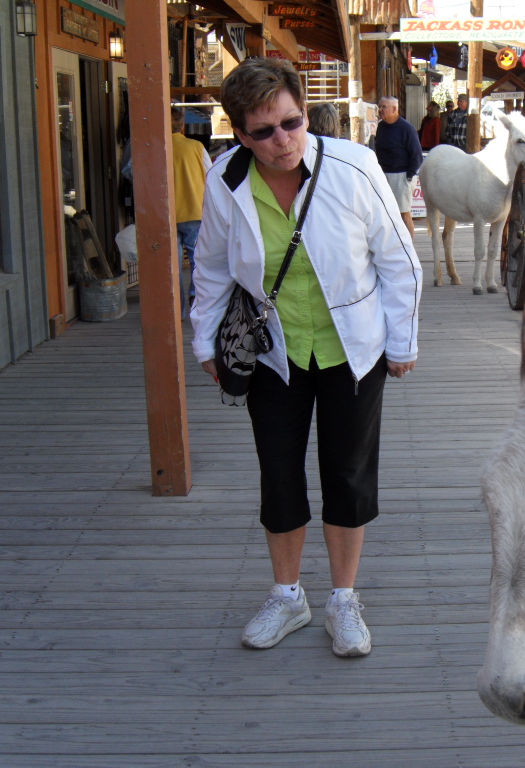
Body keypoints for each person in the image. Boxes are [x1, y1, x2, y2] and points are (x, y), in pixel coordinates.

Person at [190, 57, 421, 658]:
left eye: (292, 122)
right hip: (274, 353)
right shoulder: (225, 180)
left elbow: (398, 261)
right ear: (241, 134)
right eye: (263, 131)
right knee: (279, 473)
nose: (282, 140)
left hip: (353, 349)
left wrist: (402, 342)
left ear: (304, 114)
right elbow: (210, 266)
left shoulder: (354, 166)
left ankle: (343, 599)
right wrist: (204, 339)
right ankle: (288, 595)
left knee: (348, 473)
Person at [171, 107, 213, 318]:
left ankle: (175, 310)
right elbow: (210, 173)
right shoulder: (196, 147)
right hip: (194, 210)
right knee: (198, 261)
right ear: (182, 127)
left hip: (167, 214)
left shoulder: (156, 147)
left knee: (172, 265)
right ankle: (196, 300)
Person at [374, 96, 423, 241]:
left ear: (394, 109)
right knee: (386, 213)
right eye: (380, 106)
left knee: (404, 213)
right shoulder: (380, 127)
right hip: (383, 175)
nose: (380, 110)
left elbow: (417, 155)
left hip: (401, 176)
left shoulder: (406, 128)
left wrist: (409, 176)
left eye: (384, 107)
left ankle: (409, 247)